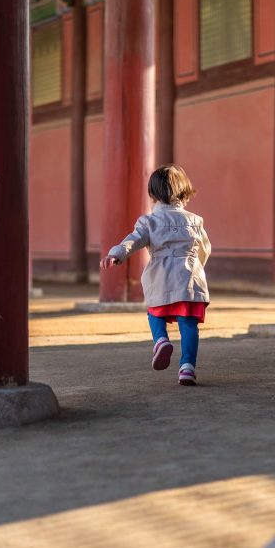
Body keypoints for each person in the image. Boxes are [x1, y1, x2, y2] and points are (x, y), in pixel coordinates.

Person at [101, 164, 211, 386]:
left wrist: (116, 254)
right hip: (189, 276)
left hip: (161, 275)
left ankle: (161, 340)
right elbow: (205, 249)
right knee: (188, 324)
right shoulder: (196, 220)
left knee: (155, 313)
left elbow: (133, 240)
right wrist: (197, 267)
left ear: (153, 194)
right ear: (185, 192)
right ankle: (187, 367)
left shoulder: (148, 221)